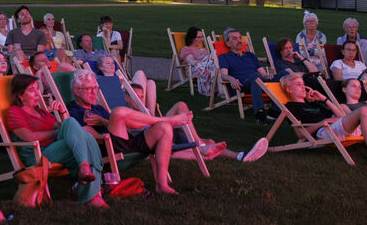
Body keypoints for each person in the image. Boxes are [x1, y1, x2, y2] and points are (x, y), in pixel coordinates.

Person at [68, 67, 264, 193]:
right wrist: (105, 125)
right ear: (77, 91)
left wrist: (104, 120)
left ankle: (162, 184)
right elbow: (86, 137)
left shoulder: (97, 107)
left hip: (127, 140)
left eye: (95, 88)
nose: (94, 92)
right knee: (120, 112)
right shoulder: (74, 109)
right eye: (89, 89)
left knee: (163, 127)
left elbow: (111, 124)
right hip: (108, 150)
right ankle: (169, 119)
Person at [4, 74, 108, 208]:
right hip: (37, 155)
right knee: (84, 138)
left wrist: (63, 112)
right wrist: (56, 132)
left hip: (55, 149)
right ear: (20, 95)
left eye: (37, 88)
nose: (37, 93)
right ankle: (92, 192)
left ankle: (89, 182)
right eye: (31, 90)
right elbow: (28, 136)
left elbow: (68, 129)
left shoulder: (42, 112)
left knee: (85, 138)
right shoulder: (15, 112)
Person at [178, 27, 219, 96]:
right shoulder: (186, 49)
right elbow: (192, 62)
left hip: (207, 67)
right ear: (191, 38)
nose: (201, 39)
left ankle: (220, 89)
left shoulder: (204, 50)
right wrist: (207, 59)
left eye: (202, 37)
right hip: (195, 70)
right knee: (214, 55)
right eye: (199, 37)